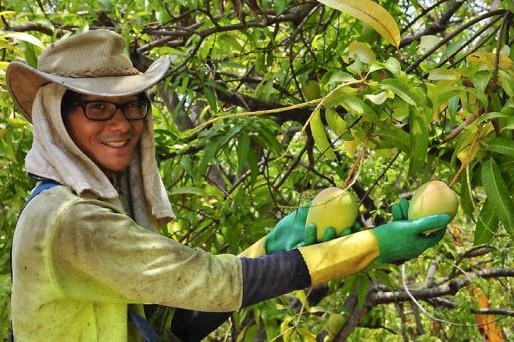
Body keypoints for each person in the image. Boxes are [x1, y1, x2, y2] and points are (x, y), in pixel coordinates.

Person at [6, 29, 451, 342]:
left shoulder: (84, 208)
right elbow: (214, 284)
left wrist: (270, 248)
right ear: (56, 119)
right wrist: (370, 246)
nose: (121, 124)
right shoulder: (70, 220)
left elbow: (179, 321)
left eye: (131, 106)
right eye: (97, 108)